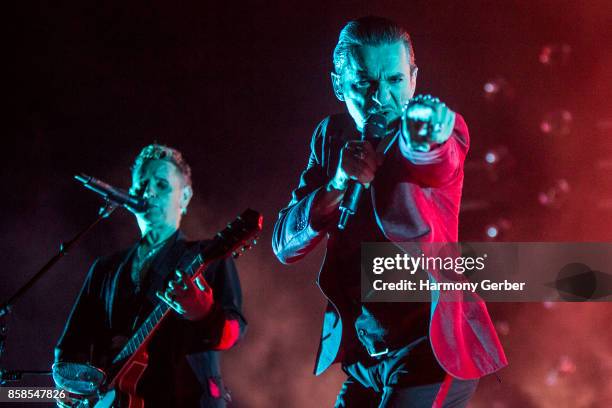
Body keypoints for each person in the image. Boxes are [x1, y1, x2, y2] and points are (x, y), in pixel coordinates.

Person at [272, 16, 507, 407]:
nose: (380, 97)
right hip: (367, 359)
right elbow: (284, 245)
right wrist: (335, 185)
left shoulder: (434, 131)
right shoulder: (332, 139)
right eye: (364, 83)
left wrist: (426, 140)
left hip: (432, 349)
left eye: (395, 81)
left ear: (413, 79)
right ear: (338, 85)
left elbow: (438, 159)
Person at [54, 144, 246, 407]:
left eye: (162, 184)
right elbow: (71, 345)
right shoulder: (105, 269)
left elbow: (234, 333)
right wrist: (69, 387)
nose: (150, 191)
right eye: (141, 184)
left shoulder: (209, 256)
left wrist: (204, 312)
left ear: (186, 196)